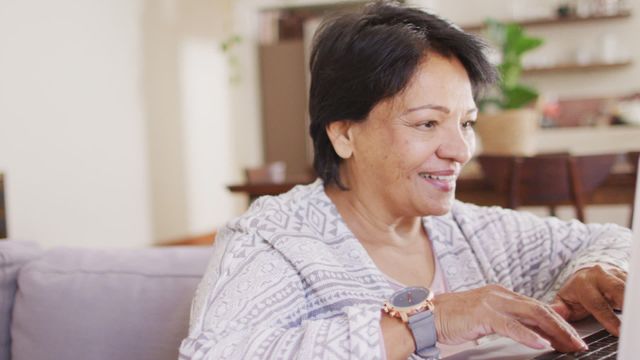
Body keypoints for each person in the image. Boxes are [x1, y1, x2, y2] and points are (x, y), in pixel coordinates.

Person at [179, 2, 631, 359]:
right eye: (427, 123)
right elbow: (215, 354)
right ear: (344, 133)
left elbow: (617, 240)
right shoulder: (276, 238)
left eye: (466, 123)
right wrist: (428, 323)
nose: (460, 150)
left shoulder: (471, 231)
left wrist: (592, 272)